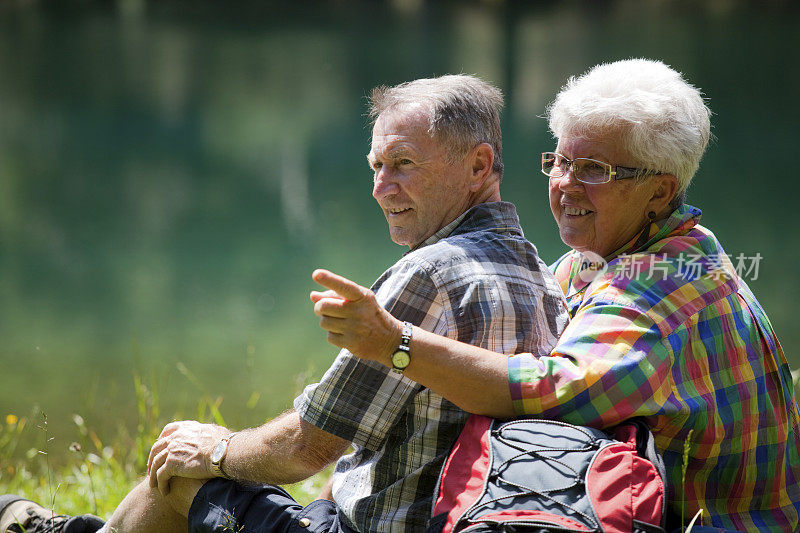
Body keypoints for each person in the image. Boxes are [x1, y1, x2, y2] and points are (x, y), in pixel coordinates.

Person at [0, 75, 568, 533]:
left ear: (477, 166)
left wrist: (217, 450)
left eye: (403, 164)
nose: (380, 188)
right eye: (376, 167)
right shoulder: (544, 277)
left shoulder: (432, 274)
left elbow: (308, 446)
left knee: (179, 471)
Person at [310, 59, 800, 532]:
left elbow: (545, 395)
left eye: (594, 169)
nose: (565, 183)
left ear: (659, 191)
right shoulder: (619, 256)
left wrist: (394, 341)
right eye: (560, 161)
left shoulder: (659, 289)